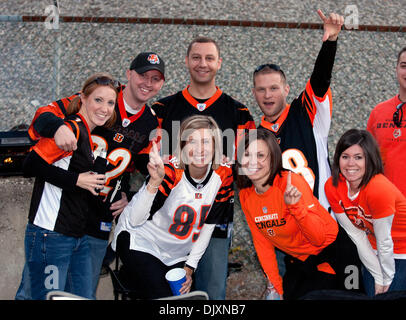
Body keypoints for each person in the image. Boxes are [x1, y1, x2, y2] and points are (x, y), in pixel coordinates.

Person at [15, 52, 165, 300]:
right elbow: (43, 121)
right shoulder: (96, 99)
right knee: (41, 294)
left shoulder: (151, 122)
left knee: (81, 295)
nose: (148, 83)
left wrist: (129, 196)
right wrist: (58, 126)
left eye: (156, 78)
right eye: (142, 75)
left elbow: (144, 169)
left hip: (96, 220)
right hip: (60, 219)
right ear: (128, 75)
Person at [251, 10, 363, 292]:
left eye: (274, 88)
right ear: (254, 93)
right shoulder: (254, 138)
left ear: (286, 89)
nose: (268, 95)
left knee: (349, 291)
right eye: (262, 90)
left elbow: (320, 81)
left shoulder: (306, 112)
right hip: (290, 235)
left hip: (328, 223)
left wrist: (330, 41)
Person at [151, 36, 255, 299]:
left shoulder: (239, 113)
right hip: (166, 223)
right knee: (170, 297)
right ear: (186, 61)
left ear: (219, 63)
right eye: (196, 57)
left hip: (214, 221)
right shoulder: (163, 109)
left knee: (211, 294)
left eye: (209, 58)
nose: (202, 64)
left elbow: (249, 168)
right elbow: (147, 161)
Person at [112, 115, 233, 299]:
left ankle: (134, 280)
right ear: (182, 146)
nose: (200, 149)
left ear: (216, 145)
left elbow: (208, 226)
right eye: (192, 141)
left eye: (206, 141)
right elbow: (136, 221)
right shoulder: (170, 172)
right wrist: (155, 181)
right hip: (141, 240)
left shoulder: (223, 175)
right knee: (165, 297)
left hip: (177, 253)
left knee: (182, 297)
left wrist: (190, 267)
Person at [22, 72, 118, 300]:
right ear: (82, 99)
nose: (104, 108)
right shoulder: (71, 129)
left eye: (110, 103)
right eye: (98, 100)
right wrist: (77, 180)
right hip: (50, 234)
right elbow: (30, 164)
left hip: (76, 235)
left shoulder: (88, 133)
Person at [236, 128, 339, 300]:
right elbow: (262, 243)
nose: (252, 162)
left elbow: (318, 239)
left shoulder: (290, 183)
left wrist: (296, 207)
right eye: (247, 154)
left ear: (273, 158)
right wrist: (275, 286)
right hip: (298, 260)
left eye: (260, 155)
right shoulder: (246, 194)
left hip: (330, 253)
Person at [324, 129, 406, 297]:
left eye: (358, 157)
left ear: (370, 159)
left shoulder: (378, 188)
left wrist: (387, 280)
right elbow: (357, 235)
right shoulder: (332, 186)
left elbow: (385, 241)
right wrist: (378, 277)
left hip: (402, 250)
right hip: (374, 248)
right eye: (345, 156)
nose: (350, 163)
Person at [367, 46, 406, 196]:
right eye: (404, 66)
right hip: (385, 202)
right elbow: (368, 157)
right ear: (396, 69)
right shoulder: (379, 112)